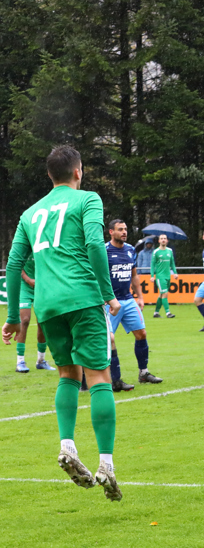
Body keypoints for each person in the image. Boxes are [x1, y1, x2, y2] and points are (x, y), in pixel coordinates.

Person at [1, 144, 124, 501]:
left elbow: (12, 266)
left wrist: (11, 319)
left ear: (49, 175)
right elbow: (94, 246)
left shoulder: (30, 213)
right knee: (99, 375)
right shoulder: (87, 200)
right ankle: (106, 463)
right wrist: (107, 294)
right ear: (78, 172)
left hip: (48, 305)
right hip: (83, 298)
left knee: (68, 375)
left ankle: (67, 445)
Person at [106, 220, 163, 389]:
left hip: (128, 299)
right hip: (110, 302)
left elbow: (134, 275)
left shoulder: (130, 250)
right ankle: (113, 380)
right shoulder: (103, 251)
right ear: (111, 232)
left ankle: (143, 373)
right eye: (120, 229)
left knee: (142, 334)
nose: (124, 232)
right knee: (109, 339)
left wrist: (140, 297)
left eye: (125, 229)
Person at [13, 253, 56, 373]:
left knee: (42, 322)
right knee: (25, 320)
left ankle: (41, 361)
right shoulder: (24, 243)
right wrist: (28, 280)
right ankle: (20, 361)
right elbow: (17, 264)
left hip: (41, 286)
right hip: (25, 286)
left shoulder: (43, 244)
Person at [150, 233, 178, 318]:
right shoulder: (156, 252)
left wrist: (175, 272)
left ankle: (156, 313)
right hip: (160, 276)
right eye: (161, 238)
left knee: (161, 295)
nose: (163, 240)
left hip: (167, 276)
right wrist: (152, 275)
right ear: (159, 241)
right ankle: (168, 313)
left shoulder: (169, 250)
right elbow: (152, 264)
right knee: (165, 293)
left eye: (164, 238)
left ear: (167, 240)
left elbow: (172, 262)